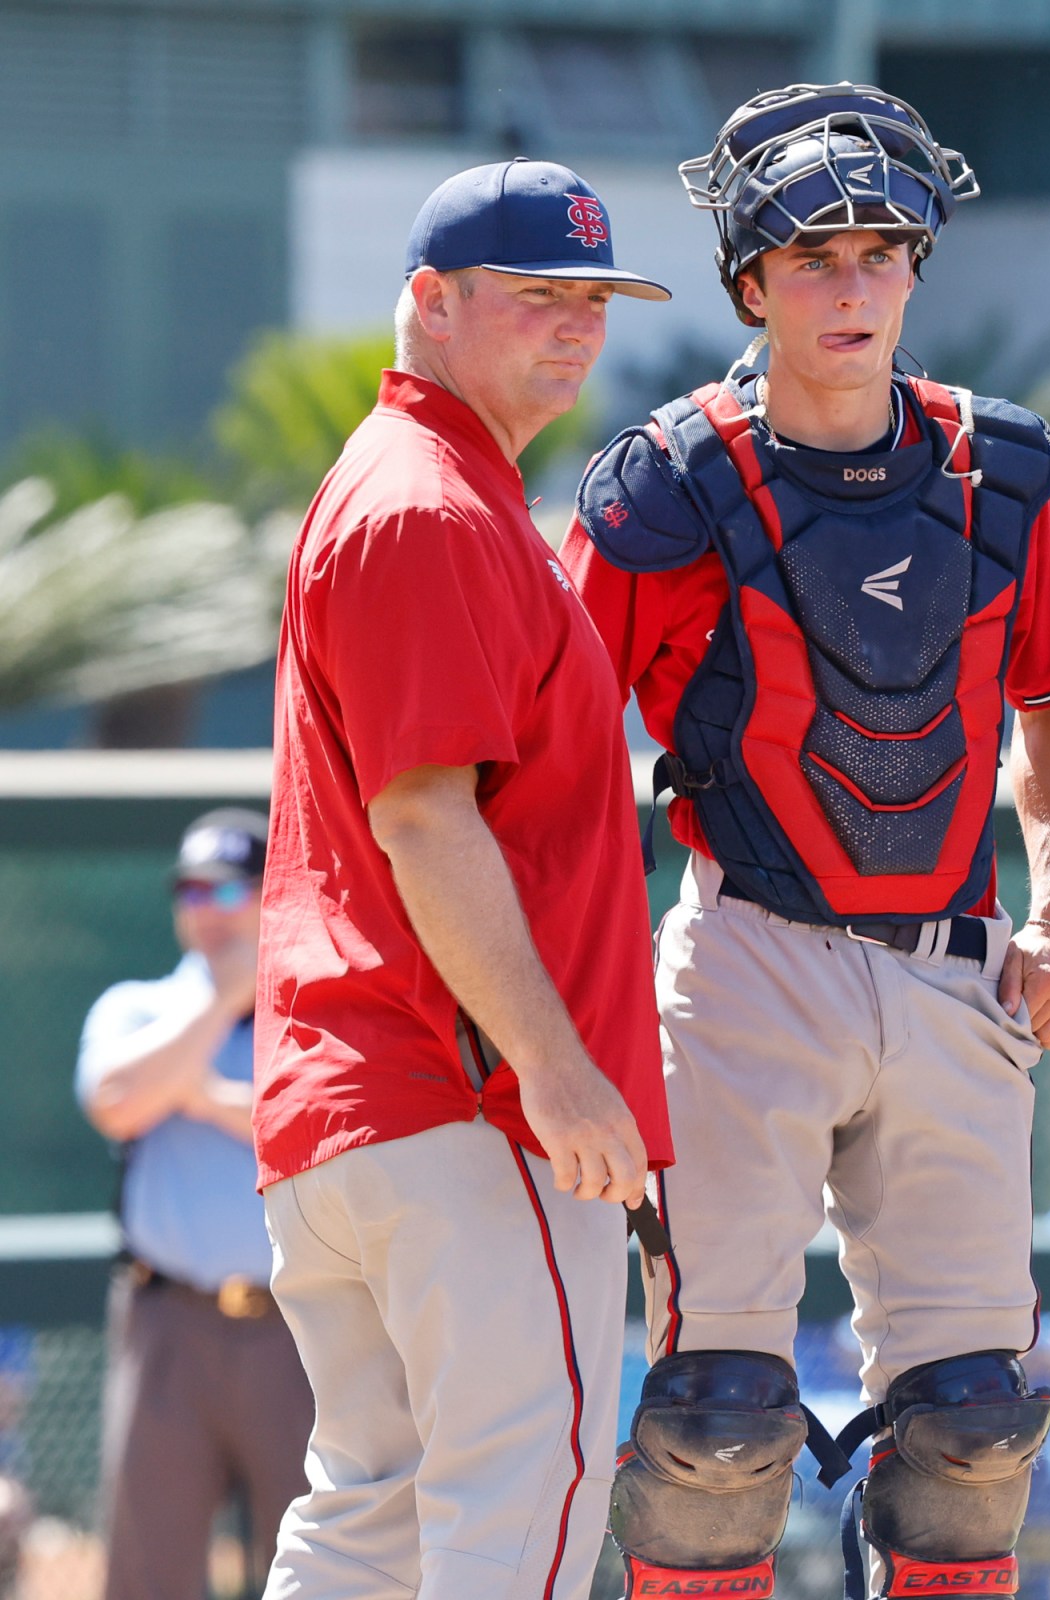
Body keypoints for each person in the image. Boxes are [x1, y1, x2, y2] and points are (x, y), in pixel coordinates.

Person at [562, 84, 1050, 1600]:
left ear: (922, 266)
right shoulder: (667, 484)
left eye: (882, 249)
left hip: (954, 973)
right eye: (812, 257)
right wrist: (583, 999)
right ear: (751, 283)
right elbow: (550, 752)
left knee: (976, 1430)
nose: (853, 284)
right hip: (744, 963)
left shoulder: (1001, 472)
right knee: (714, 1429)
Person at [253, 159, 673, 1600]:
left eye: (593, 301)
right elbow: (427, 818)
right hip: (469, 1097)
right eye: (537, 297)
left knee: (369, 1518)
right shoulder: (429, 503)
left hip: (363, 1103)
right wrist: (557, 1074)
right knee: (519, 1511)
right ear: (429, 303)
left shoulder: (436, 490)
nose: (575, 327)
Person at [78, 809, 311, 1600]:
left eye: (230, 886)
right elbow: (115, 1103)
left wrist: (198, 1095)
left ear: (270, 891)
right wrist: (219, 1003)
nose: (208, 907)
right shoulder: (135, 1007)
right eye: (192, 888)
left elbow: (323, 1128)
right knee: (148, 1573)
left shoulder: (312, 1010)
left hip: (302, 1328)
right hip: (167, 1325)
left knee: (320, 1561)